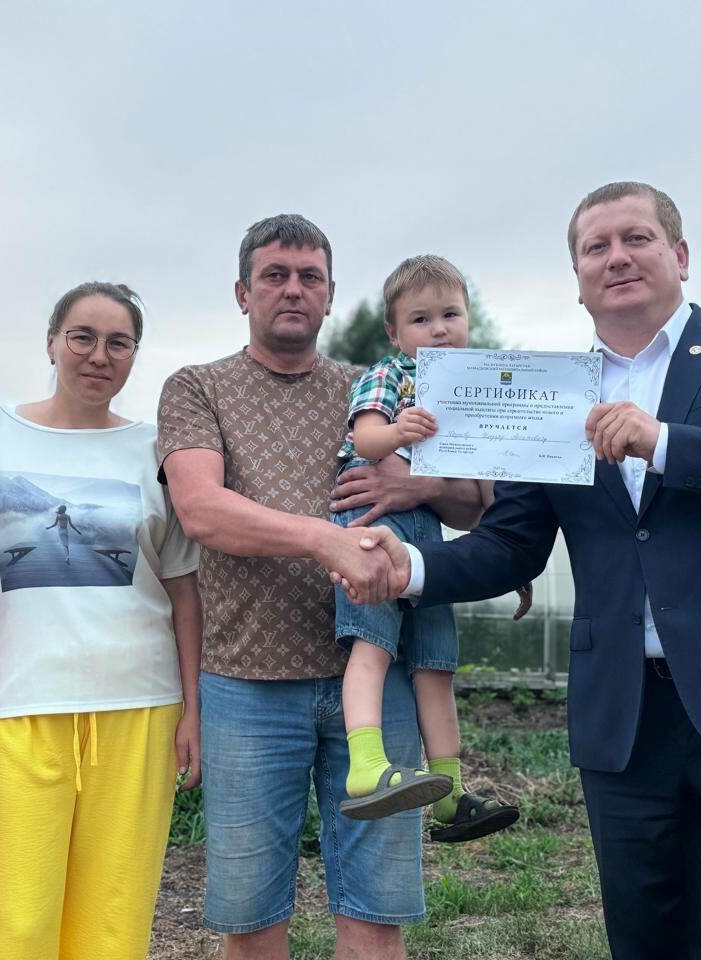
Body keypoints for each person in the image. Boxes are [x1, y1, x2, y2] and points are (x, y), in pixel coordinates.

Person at [344, 182, 701, 959]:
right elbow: (511, 544)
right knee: (646, 939)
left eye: (637, 238)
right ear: (579, 277)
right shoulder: (554, 394)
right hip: (626, 714)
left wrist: (665, 442)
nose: (617, 257)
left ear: (680, 256)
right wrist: (411, 568)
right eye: (596, 247)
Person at [158, 215, 494, 960]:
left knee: (376, 914)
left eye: (309, 277)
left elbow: (472, 505)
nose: (293, 290)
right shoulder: (198, 387)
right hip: (247, 683)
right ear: (242, 293)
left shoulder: (375, 388)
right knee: (251, 920)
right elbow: (201, 509)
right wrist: (325, 538)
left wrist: (416, 487)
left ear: (331, 294)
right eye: (274, 275)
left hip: (377, 676)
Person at [0, 281, 202, 960]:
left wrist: (194, 709)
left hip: (141, 705)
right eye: (82, 337)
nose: (98, 355)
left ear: (135, 354)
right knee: (18, 920)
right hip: (19, 705)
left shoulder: (157, 450)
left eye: (119, 342)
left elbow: (184, 591)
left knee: (114, 919)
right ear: (52, 342)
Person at [333, 253, 522, 841]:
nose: (438, 329)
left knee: (436, 663)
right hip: (371, 522)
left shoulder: (477, 392)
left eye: (450, 315)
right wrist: (399, 431)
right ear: (394, 333)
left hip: (429, 540)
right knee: (372, 642)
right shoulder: (391, 375)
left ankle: (451, 792)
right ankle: (366, 766)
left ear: (468, 319)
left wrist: (509, 555)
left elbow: (487, 491)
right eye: (420, 319)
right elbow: (365, 437)